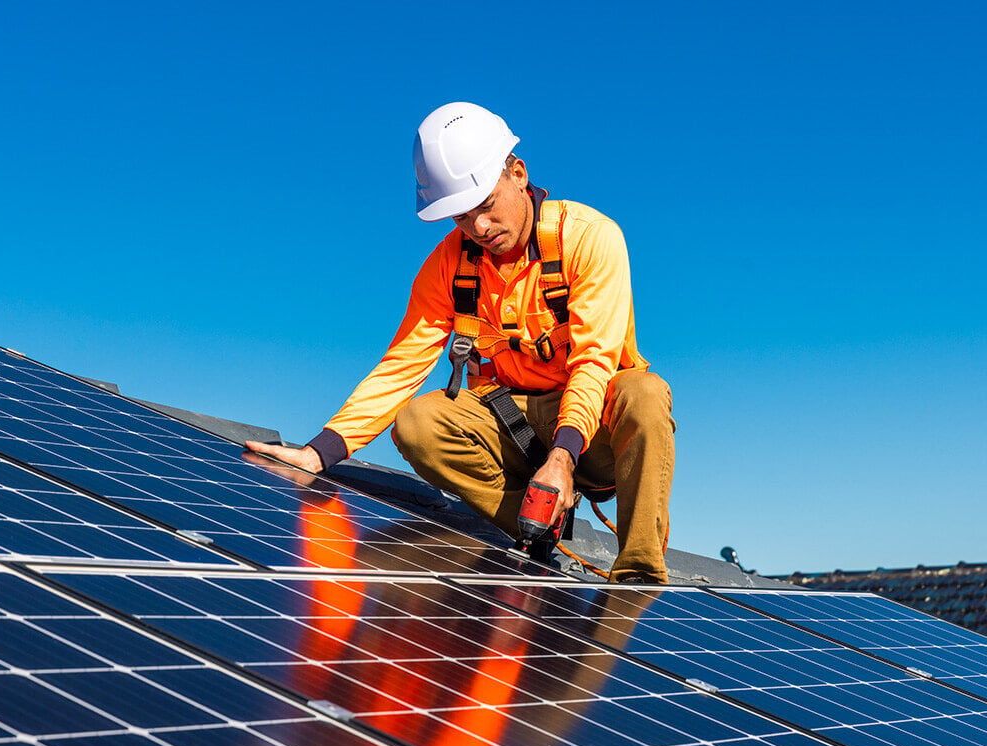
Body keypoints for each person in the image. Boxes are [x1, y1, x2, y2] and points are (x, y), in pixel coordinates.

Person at [246, 101, 674, 583]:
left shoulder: (590, 238)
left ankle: (637, 572)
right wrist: (320, 452)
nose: (479, 229)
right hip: (511, 428)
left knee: (644, 393)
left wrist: (562, 458)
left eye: (486, 206)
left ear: (518, 172)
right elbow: (405, 361)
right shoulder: (449, 265)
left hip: (594, 436)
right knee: (418, 422)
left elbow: (596, 361)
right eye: (460, 217)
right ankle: (535, 527)